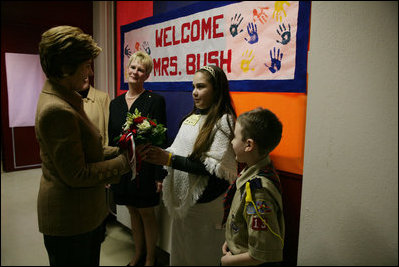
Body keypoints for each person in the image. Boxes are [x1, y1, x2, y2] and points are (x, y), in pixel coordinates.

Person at [35, 25, 132, 266]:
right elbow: (77, 174)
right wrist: (124, 162)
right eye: (86, 65)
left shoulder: (66, 98)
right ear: (66, 67)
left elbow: (87, 150)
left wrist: (123, 149)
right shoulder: (57, 109)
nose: (90, 72)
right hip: (70, 220)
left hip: (83, 215)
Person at [145, 65, 238, 266]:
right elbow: (176, 152)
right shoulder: (191, 118)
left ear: (216, 89)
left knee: (203, 256)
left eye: (201, 86)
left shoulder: (224, 121)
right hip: (185, 204)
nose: (195, 92)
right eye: (193, 86)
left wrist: (168, 160)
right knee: (182, 254)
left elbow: (212, 167)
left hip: (207, 205)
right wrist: (159, 161)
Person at [108, 51, 167, 266]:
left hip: (147, 167)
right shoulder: (114, 104)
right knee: (132, 211)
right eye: (133, 67)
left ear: (147, 75)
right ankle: (138, 254)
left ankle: (150, 258)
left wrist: (160, 175)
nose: (135, 72)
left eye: (141, 69)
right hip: (123, 168)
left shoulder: (155, 101)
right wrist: (110, 169)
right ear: (127, 70)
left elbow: (160, 139)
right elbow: (111, 139)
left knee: (146, 213)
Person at [221, 108, 284, 266]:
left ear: (249, 145)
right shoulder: (251, 170)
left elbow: (261, 253)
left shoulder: (258, 191)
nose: (231, 141)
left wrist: (228, 262)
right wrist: (232, 241)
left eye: (235, 137)